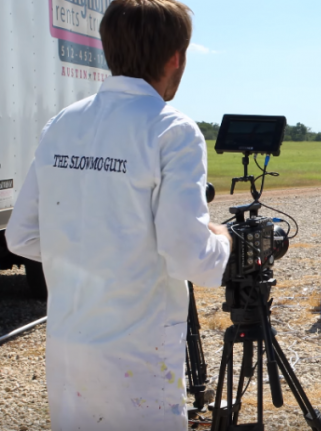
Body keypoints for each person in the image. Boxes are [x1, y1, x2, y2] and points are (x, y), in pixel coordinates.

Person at [5, 1, 232, 429]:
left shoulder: (62, 123)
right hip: (138, 357)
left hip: (69, 351)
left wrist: (91, 252)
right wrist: (224, 241)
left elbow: (21, 235)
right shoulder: (173, 130)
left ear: (108, 49)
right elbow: (188, 255)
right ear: (176, 58)